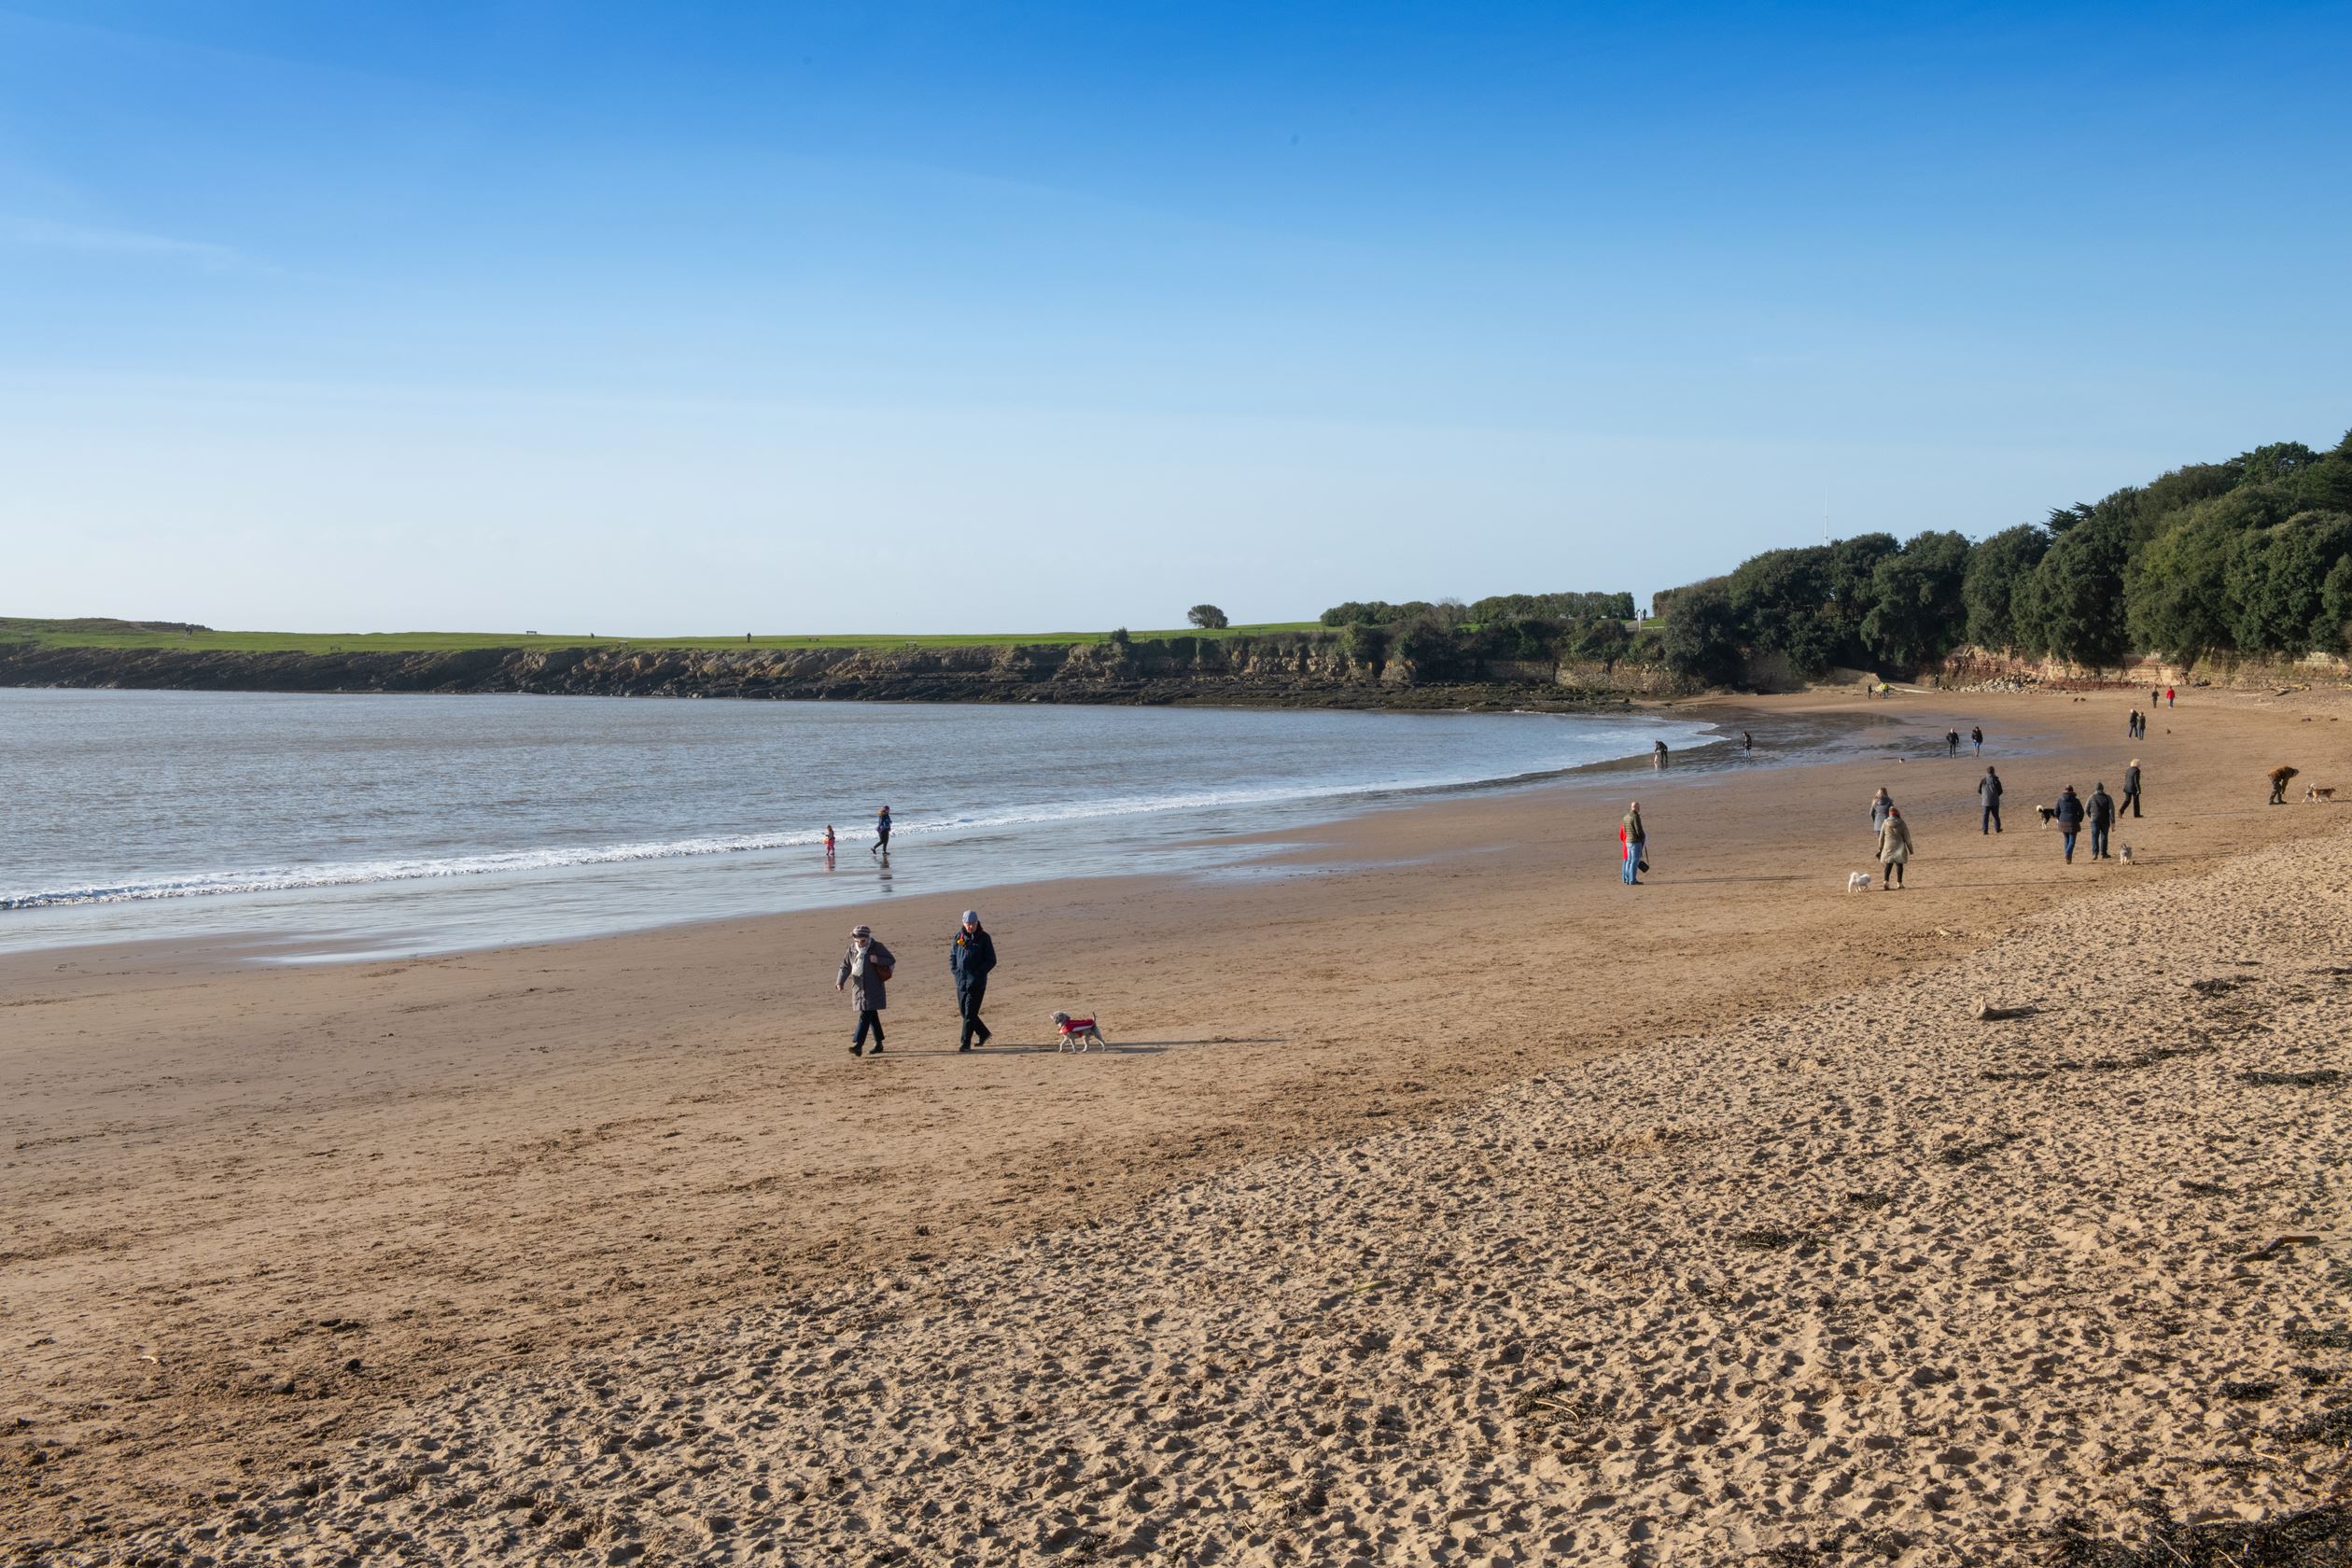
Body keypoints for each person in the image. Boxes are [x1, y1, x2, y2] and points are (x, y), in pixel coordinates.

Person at [836, 924, 896, 1057]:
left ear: (868, 938)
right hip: (859, 988)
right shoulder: (852, 949)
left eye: (863, 941)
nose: (860, 944)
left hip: (874, 988)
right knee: (872, 1016)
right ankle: (879, 1043)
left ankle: (858, 1044)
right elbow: (845, 966)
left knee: (865, 1014)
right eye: (857, 941)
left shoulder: (877, 947)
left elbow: (891, 960)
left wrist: (878, 960)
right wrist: (840, 982)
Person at [949, 909, 996, 1052]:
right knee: (964, 1012)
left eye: (973, 924)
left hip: (977, 983)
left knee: (969, 1014)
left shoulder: (984, 938)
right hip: (961, 982)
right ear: (963, 923)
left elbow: (991, 960)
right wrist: (956, 973)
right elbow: (952, 957)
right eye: (968, 924)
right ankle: (984, 1033)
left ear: (977, 923)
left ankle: (965, 1043)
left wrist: (979, 973)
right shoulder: (959, 937)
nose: (970, 926)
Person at [1876, 805, 1913, 889]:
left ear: (1890, 814)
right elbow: (1907, 837)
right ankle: (1899, 883)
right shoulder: (1902, 823)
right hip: (1899, 846)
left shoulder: (1885, 823)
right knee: (1899, 865)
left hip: (1888, 846)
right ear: (1897, 814)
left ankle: (1886, 881)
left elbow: (1881, 837)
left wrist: (1880, 848)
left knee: (1888, 865)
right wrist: (1910, 849)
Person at [2053, 785, 2085, 864]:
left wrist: (2059, 818)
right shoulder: (2076, 801)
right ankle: (2068, 854)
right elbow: (2081, 812)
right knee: (2072, 841)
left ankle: (2068, 859)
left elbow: (2056, 812)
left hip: (2063, 822)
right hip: (2073, 822)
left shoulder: (2060, 800)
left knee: (2066, 840)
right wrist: (2079, 819)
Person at [2087, 781, 2116, 861]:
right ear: (2103, 789)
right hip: (2105, 820)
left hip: (2094, 820)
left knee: (2094, 836)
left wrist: (2091, 816)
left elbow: (2086, 809)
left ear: (2095, 789)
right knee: (2104, 836)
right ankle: (2104, 853)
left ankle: (2095, 853)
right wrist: (2112, 820)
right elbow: (2111, 810)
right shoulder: (2107, 797)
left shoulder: (2091, 797)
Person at [1619, 800, 1645, 885]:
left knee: (1629, 861)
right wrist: (1642, 837)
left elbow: (1625, 830)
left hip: (1628, 841)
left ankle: (1627, 879)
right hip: (1635, 841)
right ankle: (1632, 880)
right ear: (1637, 808)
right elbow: (1639, 830)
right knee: (1634, 861)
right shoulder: (1635, 816)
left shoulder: (1625, 816)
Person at [1980, 766, 2004, 833]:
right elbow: (2000, 790)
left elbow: (1979, 790)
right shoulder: (1995, 780)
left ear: (1987, 772)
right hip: (1994, 801)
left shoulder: (1983, 780)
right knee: (1996, 816)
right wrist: (1996, 795)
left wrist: (1984, 795)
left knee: (1985, 816)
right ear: (1993, 772)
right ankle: (1997, 829)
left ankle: (1985, 830)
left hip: (1985, 801)